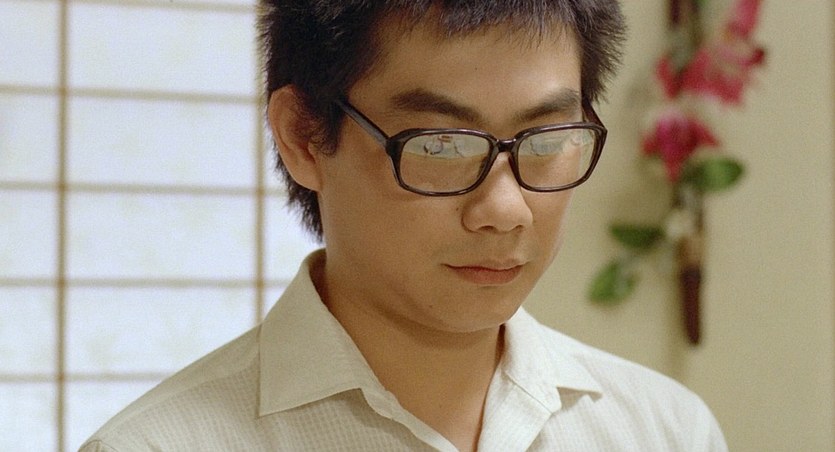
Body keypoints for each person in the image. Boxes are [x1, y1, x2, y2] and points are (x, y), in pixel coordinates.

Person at [81, 1, 727, 451]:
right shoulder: (158, 445)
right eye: (441, 145)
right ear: (304, 137)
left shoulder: (664, 430)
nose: (506, 210)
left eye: (546, 139)